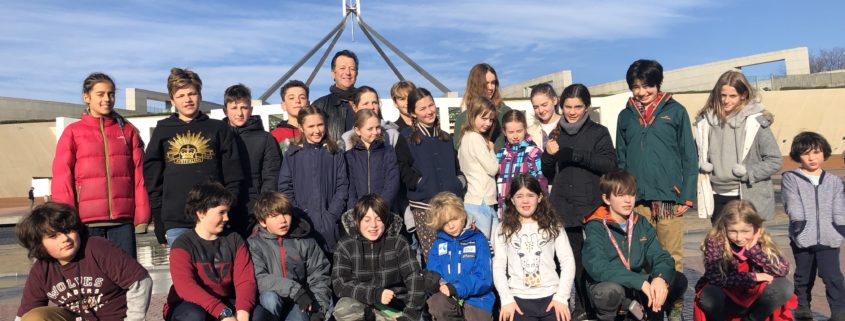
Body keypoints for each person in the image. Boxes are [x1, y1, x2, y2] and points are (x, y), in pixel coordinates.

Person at [615, 59, 696, 316]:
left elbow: (689, 156)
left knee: (671, 256)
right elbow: (621, 158)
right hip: (638, 201)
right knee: (641, 257)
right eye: (636, 86)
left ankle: (674, 307)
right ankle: (648, 307)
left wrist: (687, 195)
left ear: (657, 84)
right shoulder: (625, 115)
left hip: (668, 200)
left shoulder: (676, 111)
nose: (641, 92)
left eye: (647, 86)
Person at [51, 72, 150, 258]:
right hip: (86, 222)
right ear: (86, 97)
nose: (107, 99)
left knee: (126, 277)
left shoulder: (127, 131)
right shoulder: (73, 132)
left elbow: (139, 175)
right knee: (94, 280)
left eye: (111, 94)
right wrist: (67, 218)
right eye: (101, 94)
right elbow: (62, 177)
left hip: (123, 221)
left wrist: (142, 216)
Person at [541, 83, 616, 320]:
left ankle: (601, 304)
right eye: (568, 106)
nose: (572, 111)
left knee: (595, 259)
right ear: (561, 106)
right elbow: (548, 171)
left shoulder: (598, 132)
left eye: (578, 107)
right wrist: (549, 155)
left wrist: (575, 155)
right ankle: (582, 306)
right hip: (563, 205)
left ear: (587, 107)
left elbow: (609, 164)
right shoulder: (556, 132)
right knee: (571, 261)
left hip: (592, 205)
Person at [143, 67, 243, 246]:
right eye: (180, 95)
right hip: (177, 220)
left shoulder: (218, 129)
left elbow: (233, 174)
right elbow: (153, 177)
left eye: (192, 94)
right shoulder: (163, 129)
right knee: (184, 273)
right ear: (172, 100)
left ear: (200, 96)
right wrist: (159, 218)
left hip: (214, 217)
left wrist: (230, 210)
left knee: (218, 272)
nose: (187, 99)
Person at [15, 202, 152, 321]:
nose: (65, 239)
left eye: (68, 230)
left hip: (116, 317)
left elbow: (140, 281)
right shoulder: (41, 268)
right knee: (34, 317)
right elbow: (23, 316)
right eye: (53, 236)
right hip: (75, 317)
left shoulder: (97, 247)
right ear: (39, 244)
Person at [582, 170, 687, 321]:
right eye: (620, 195)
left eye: (631, 194)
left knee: (678, 279)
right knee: (609, 292)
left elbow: (660, 255)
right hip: (612, 283)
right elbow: (597, 266)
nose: (627, 200)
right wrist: (639, 282)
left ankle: (668, 309)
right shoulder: (596, 225)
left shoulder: (640, 222)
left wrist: (660, 278)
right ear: (606, 199)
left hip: (639, 284)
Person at [164, 182, 270, 321]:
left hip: (226, 300)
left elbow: (245, 281)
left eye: (227, 212)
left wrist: (243, 311)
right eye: (221, 212)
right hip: (188, 304)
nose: (226, 218)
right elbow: (186, 287)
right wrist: (222, 313)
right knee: (194, 317)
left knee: (258, 315)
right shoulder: (183, 244)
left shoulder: (234, 240)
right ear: (201, 213)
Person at [695, 70, 782, 223]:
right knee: (721, 245)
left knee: (747, 245)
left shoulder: (756, 122)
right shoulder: (705, 122)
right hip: (716, 196)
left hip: (748, 196)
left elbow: (775, 160)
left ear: (744, 95)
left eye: (732, 96)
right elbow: (696, 155)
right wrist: (701, 165)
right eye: (723, 95)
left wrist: (748, 173)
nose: (726, 100)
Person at [693, 200, 796, 321]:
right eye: (732, 231)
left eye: (745, 231)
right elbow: (715, 278)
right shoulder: (715, 242)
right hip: (728, 296)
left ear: (756, 228)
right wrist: (754, 277)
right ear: (724, 227)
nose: (739, 238)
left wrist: (754, 250)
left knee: (784, 287)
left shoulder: (761, 241)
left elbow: (783, 270)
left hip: (756, 299)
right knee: (708, 296)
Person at [492, 174, 575, 321]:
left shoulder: (553, 225)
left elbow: (567, 261)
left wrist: (562, 297)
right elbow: (498, 267)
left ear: (540, 197)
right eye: (519, 196)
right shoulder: (503, 229)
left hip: (552, 298)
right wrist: (506, 300)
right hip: (518, 301)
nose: (525, 201)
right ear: (512, 199)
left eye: (530, 195)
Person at [781, 132, 845, 321]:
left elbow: (839, 208)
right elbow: (792, 203)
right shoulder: (791, 178)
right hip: (803, 237)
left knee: (833, 277)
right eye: (806, 153)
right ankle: (802, 307)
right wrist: (800, 226)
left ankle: (839, 312)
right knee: (803, 276)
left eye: (816, 152)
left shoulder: (834, 181)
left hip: (829, 237)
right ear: (797, 156)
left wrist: (840, 228)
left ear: (824, 153)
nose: (812, 157)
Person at [395, 87, 465, 257]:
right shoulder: (405, 138)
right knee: (435, 257)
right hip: (425, 207)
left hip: (451, 206)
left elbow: (456, 168)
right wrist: (420, 184)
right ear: (413, 113)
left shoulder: (446, 138)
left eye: (431, 105)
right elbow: (403, 170)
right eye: (422, 108)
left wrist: (458, 182)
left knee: (458, 256)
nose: (429, 111)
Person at [332, 194, 425, 321]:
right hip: (360, 304)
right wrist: (374, 294)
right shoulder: (345, 245)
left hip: (393, 307)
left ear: (385, 220)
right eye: (367, 220)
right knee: (344, 308)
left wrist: (410, 315)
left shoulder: (398, 242)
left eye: (379, 219)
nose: (373, 225)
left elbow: (414, 278)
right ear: (358, 220)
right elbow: (340, 283)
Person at [248, 192, 333, 321]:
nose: (283, 220)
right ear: (262, 221)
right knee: (269, 299)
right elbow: (259, 278)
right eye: (275, 216)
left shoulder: (304, 240)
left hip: (299, 298)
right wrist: (295, 290)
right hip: (274, 295)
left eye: (286, 213)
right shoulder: (254, 243)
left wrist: (318, 308)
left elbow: (319, 274)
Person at [278, 105, 348, 253]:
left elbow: (342, 186)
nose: (317, 131)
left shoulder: (335, 152)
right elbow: (285, 187)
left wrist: (332, 215)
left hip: (330, 224)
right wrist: (300, 214)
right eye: (311, 126)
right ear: (301, 127)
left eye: (320, 125)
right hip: (302, 224)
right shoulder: (293, 153)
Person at [424, 192, 495, 321]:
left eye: (454, 219)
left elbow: (484, 278)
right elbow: (434, 272)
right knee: (436, 303)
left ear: (462, 214)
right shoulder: (438, 245)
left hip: (477, 299)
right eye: (445, 223)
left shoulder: (479, 239)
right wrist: (435, 282)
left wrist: (456, 288)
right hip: (450, 299)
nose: (451, 226)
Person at [223, 84, 282, 238]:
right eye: (234, 108)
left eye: (244, 107)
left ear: (251, 109)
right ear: (225, 110)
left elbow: (271, 176)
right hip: (224, 210)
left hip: (254, 211)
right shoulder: (219, 137)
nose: (239, 113)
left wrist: (262, 208)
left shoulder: (265, 138)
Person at [458, 97, 499, 239]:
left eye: (491, 119)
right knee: (485, 247)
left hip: (472, 198)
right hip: (481, 199)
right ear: (472, 115)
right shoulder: (476, 138)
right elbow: (493, 168)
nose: (488, 123)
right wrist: (491, 150)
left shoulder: (465, 137)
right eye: (484, 118)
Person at [344, 109, 400, 210]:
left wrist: (379, 207)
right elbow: (349, 187)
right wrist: (356, 210)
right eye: (370, 129)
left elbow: (393, 183)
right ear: (358, 130)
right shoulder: (350, 156)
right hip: (359, 212)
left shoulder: (387, 152)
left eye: (377, 127)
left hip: (383, 210)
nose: (375, 132)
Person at [497, 110, 547, 219]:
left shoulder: (533, 153)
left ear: (525, 129)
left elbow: (541, 182)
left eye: (519, 131)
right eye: (511, 132)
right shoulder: (501, 155)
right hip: (505, 210)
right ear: (504, 132)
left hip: (527, 211)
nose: (515, 136)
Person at [453, 63, 512, 150]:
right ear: (475, 85)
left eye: (493, 83)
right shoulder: (462, 119)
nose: (490, 87)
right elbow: (459, 151)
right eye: (486, 83)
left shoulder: (504, 112)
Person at [312, 50, 359, 142]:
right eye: (342, 68)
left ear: (356, 74)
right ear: (333, 74)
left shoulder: (367, 103)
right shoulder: (319, 106)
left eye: (352, 69)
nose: (348, 73)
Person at [271, 80, 309, 155]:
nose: (297, 101)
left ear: (308, 103)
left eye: (302, 97)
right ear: (283, 105)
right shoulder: (275, 136)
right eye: (291, 98)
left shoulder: (316, 131)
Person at [526, 84, 561, 151]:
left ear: (554, 100)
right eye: (535, 107)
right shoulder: (530, 132)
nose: (540, 110)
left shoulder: (568, 125)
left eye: (544, 105)